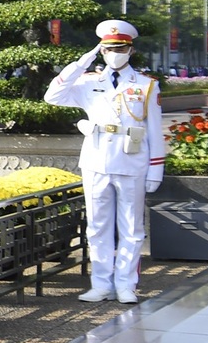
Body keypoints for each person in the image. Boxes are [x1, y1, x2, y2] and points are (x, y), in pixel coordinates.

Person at [44, 19, 165, 304]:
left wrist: (156, 170)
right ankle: (100, 283)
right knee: (97, 226)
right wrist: (82, 61)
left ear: (131, 49)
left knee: (131, 227)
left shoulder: (146, 86)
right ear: (101, 50)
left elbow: (155, 130)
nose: (115, 53)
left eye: (120, 48)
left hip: (132, 161)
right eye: (108, 48)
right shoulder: (88, 82)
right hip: (96, 160)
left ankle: (126, 284)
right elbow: (53, 95)